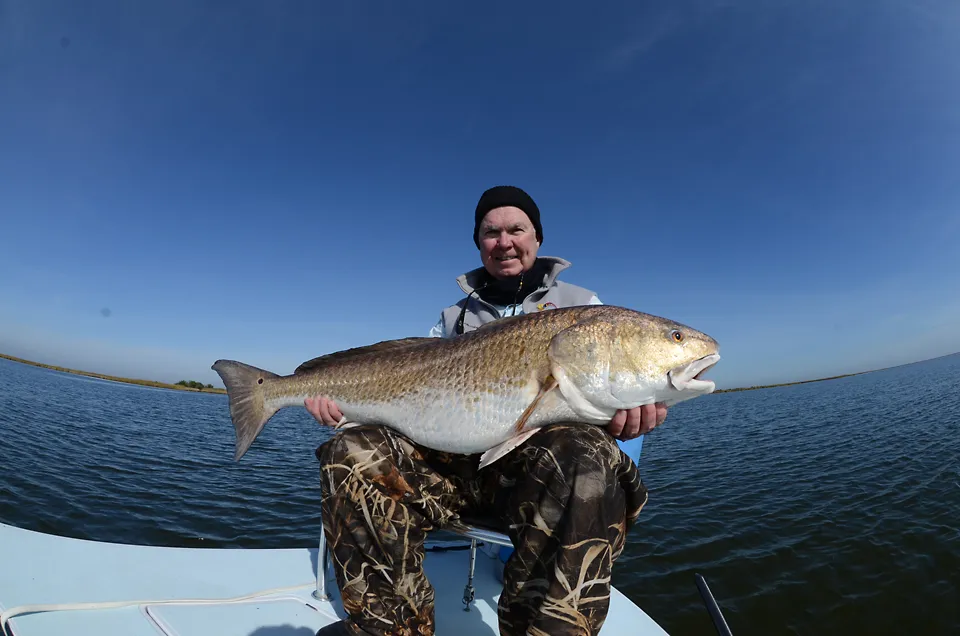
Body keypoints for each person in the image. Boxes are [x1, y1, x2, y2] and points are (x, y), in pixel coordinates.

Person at [308, 186, 668, 636]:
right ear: (479, 243)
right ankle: (389, 627)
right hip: (450, 472)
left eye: (516, 229)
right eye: (491, 232)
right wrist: (348, 409)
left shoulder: (585, 310)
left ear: (537, 238)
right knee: (351, 450)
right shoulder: (450, 320)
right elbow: (410, 391)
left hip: (535, 479)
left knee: (586, 454)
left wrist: (626, 425)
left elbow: (608, 395)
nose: (505, 241)